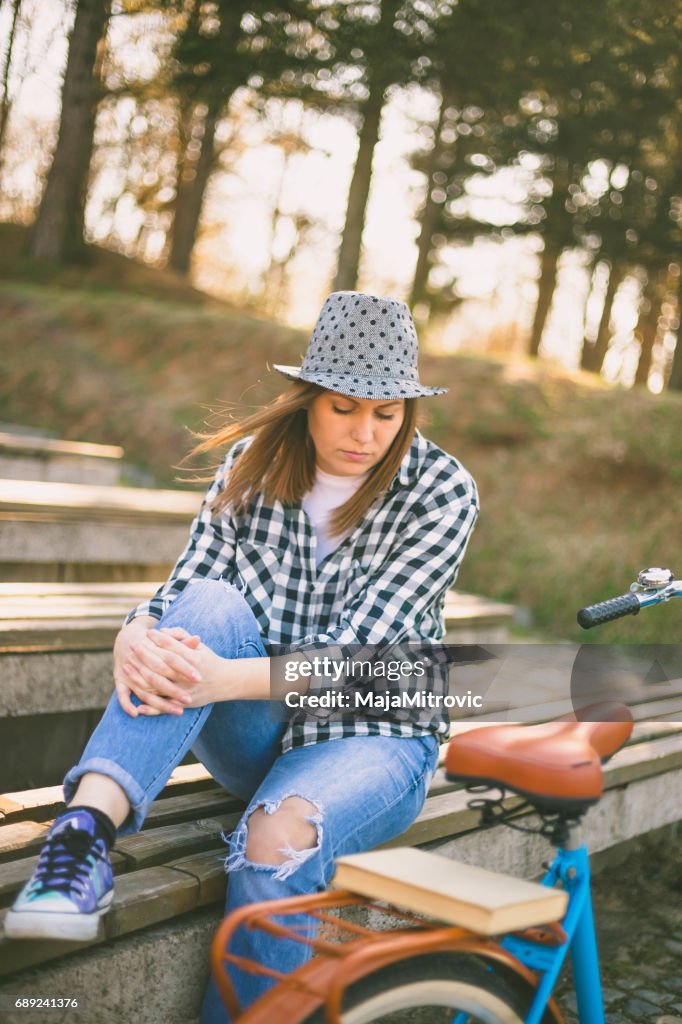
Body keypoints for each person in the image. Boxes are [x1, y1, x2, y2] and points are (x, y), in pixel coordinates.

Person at [6, 291, 479, 1021]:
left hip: (374, 737)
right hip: (258, 727)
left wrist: (217, 678)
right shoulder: (250, 464)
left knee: (274, 843)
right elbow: (187, 594)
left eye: (387, 414)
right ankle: (83, 839)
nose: (365, 433)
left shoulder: (441, 490)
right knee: (206, 613)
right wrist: (133, 636)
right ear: (307, 399)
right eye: (344, 408)